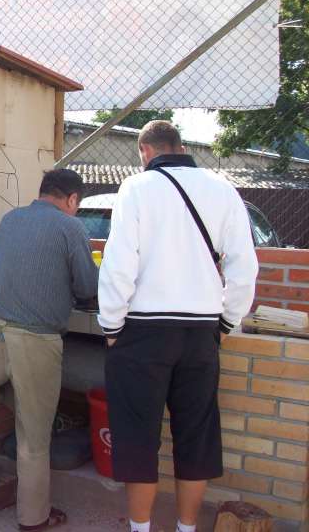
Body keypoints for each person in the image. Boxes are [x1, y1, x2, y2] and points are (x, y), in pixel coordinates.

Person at [98, 121, 258, 532]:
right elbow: (244, 269)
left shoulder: (136, 188)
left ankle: (141, 528)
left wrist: (111, 326)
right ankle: (187, 528)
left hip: (142, 332)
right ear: (181, 147)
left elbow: (118, 267)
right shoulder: (223, 190)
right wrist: (227, 321)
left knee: (138, 437)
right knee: (195, 437)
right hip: (201, 332)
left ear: (145, 152)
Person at [0, 169, 99, 531]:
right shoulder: (71, 228)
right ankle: (34, 517)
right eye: (77, 204)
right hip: (34, 341)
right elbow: (87, 287)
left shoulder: (10, 219)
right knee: (34, 432)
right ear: (72, 199)